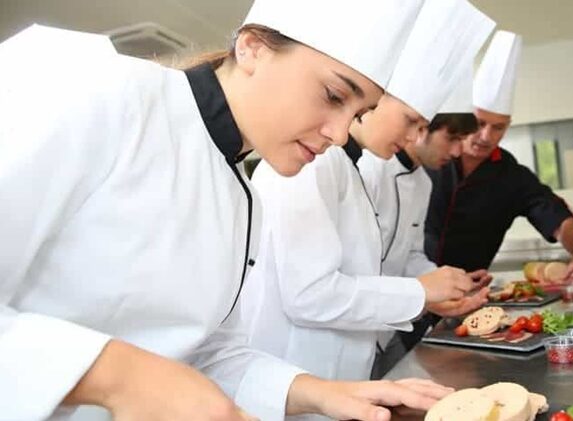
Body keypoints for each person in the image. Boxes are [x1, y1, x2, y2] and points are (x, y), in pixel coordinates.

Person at [0, 1, 456, 419]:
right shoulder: (100, 92)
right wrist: (119, 375)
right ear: (252, 48)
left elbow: (207, 353)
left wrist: (323, 391)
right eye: (335, 96)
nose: (339, 134)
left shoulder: (243, 199)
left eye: (358, 112)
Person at [243, 0, 494, 398]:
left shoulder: (347, 167)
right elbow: (309, 296)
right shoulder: (313, 164)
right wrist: (420, 293)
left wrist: (437, 285)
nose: (413, 138)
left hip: (343, 376)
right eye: (411, 121)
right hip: (296, 374)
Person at [425, 30, 573, 285]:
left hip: (467, 295)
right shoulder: (431, 158)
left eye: (498, 127)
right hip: (410, 288)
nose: (485, 136)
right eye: (479, 123)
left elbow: (559, 219)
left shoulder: (512, 177)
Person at [359, 69, 494, 378]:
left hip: (385, 331)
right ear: (422, 129)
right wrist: (424, 292)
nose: (458, 151)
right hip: (358, 325)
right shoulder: (369, 169)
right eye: (452, 138)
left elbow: (409, 256)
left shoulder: (423, 183)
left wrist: (448, 281)